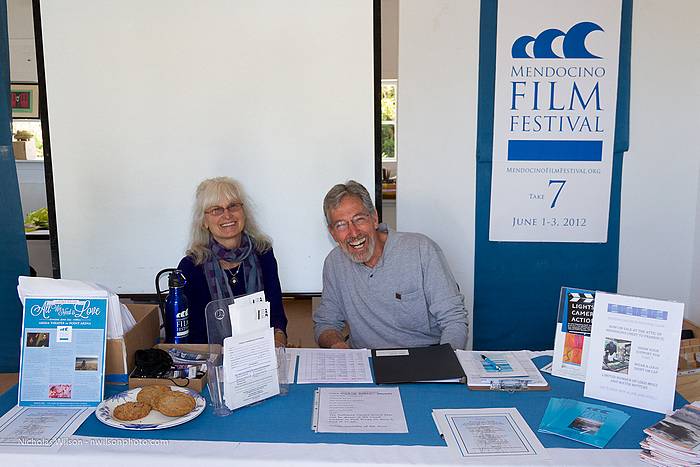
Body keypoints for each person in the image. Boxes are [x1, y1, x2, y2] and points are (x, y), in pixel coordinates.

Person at [313, 180, 468, 350]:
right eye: (341, 225)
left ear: (374, 219)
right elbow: (326, 323)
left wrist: (443, 366)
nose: (354, 232)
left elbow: (454, 320)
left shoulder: (421, 249)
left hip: (423, 357)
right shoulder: (334, 263)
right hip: (366, 362)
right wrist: (337, 344)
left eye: (359, 219)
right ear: (332, 233)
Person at [178, 177, 287, 345]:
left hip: (259, 356)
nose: (227, 215)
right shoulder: (190, 267)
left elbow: (276, 315)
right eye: (216, 210)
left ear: (244, 212)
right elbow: (189, 335)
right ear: (204, 221)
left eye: (233, 206)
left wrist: (279, 338)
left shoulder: (263, 254)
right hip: (211, 362)